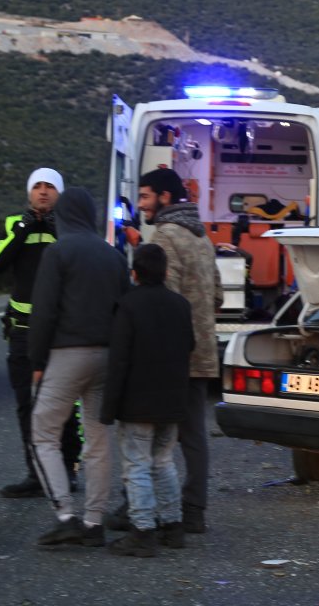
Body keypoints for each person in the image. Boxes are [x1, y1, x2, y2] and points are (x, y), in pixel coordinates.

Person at [30, 187, 130, 547]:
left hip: (67, 353)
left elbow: (44, 311)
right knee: (98, 440)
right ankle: (94, 521)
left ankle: (64, 514)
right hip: (107, 356)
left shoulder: (57, 252)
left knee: (43, 432)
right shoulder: (115, 256)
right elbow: (126, 312)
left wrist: (37, 361)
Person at [0, 167, 81, 499]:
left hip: (61, 333)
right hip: (23, 332)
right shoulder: (15, 224)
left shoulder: (70, 227)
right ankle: (36, 473)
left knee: (66, 405)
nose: (43, 192)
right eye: (37, 186)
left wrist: (56, 228)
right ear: (28, 193)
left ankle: (69, 469)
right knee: (27, 405)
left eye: (50, 187)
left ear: (60, 193)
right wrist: (24, 228)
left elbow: (78, 261)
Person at [135, 167, 222, 534]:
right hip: (203, 351)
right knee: (194, 436)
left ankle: (140, 508)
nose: (141, 206)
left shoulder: (165, 237)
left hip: (173, 355)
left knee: (146, 435)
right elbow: (217, 295)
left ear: (165, 198)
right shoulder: (202, 237)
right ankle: (195, 510)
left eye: (145, 196)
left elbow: (160, 299)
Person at [100, 243, 195, 557]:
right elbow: (189, 346)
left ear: (134, 273)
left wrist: (109, 407)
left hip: (137, 403)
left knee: (136, 466)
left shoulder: (127, 306)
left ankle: (142, 531)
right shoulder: (181, 305)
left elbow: (119, 361)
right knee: (163, 462)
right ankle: (173, 525)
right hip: (172, 402)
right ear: (166, 272)